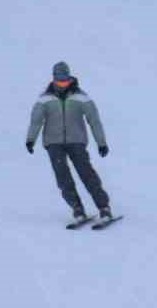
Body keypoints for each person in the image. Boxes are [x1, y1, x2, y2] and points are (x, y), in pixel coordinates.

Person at [26, 61, 112, 223]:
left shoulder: (81, 97)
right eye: (59, 80)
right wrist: (30, 139)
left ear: (69, 77)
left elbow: (94, 120)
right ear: (54, 78)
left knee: (87, 173)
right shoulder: (44, 99)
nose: (62, 83)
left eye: (65, 80)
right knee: (63, 177)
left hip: (76, 141)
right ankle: (77, 209)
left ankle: (104, 207)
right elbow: (36, 121)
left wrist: (101, 143)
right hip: (53, 143)